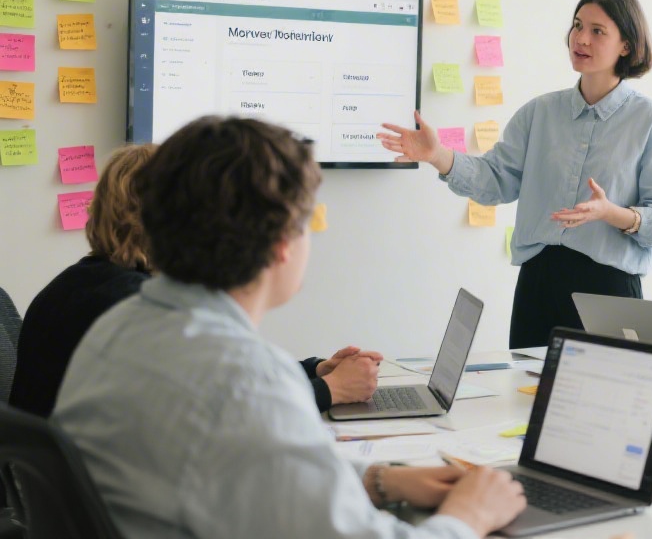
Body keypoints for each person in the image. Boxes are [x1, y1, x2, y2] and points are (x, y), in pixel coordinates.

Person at [54, 117, 525, 539]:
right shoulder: (246, 380)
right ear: (283, 245)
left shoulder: (118, 328)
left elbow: (245, 472)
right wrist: (470, 515)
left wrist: (378, 480)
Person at [379, 0, 652, 349]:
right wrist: (438, 155)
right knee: (526, 399)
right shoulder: (539, 113)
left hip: (609, 289)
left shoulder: (651, 121)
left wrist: (611, 213)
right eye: (577, 26)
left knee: (603, 400)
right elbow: (495, 182)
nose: (581, 38)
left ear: (626, 47)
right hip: (538, 284)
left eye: (598, 31)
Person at [10, 144, 382, 418]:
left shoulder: (81, 284)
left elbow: (230, 376)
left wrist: (316, 370)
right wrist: (330, 390)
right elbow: (229, 407)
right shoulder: (138, 307)